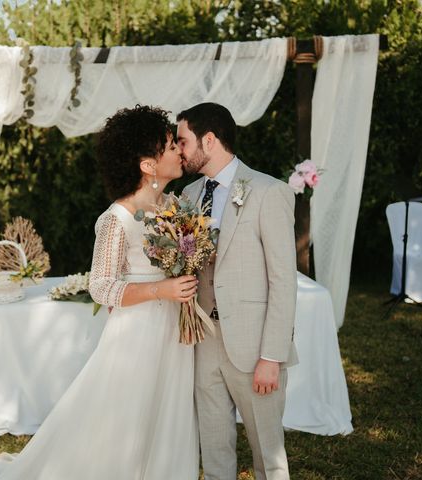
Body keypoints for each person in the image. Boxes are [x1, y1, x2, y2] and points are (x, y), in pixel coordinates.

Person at [0, 105, 199, 480]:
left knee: (168, 412)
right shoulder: (117, 219)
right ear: (147, 165)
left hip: (174, 332)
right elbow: (101, 286)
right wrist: (164, 289)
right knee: (128, 418)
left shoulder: (175, 207)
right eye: (170, 145)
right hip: (137, 337)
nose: (178, 150)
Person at [177, 102, 297, 480]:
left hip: (253, 346)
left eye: (183, 141)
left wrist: (271, 356)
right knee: (213, 450)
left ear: (208, 141)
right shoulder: (189, 196)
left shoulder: (267, 191)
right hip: (204, 342)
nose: (178, 149)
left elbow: (283, 280)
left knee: (267, 455)